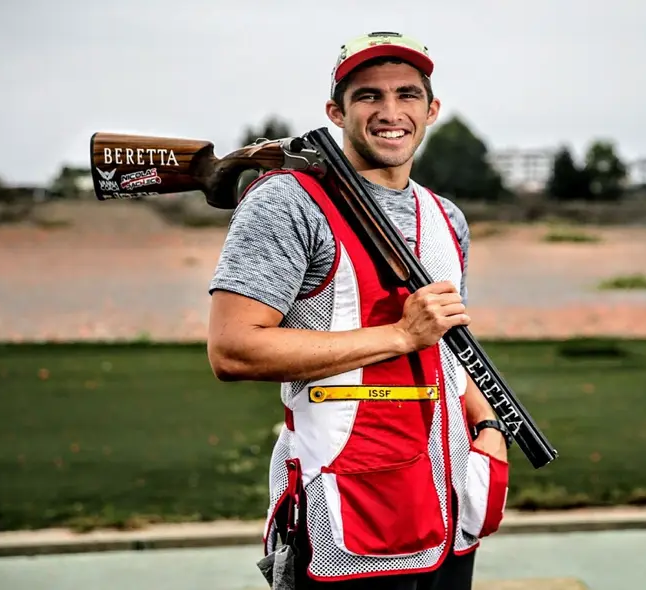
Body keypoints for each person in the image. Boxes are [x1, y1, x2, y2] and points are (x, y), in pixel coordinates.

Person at [206, 31, 511, 589]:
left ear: (431, 110)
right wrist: (400, 335)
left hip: (445, 509)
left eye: (407, 94)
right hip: (343, 518)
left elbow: (448, 346)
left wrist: (488, 422)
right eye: (368, 95)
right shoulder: (287, 201)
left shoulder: (446, 217)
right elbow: (233, 348)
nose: (390, 111)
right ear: (336, 112)